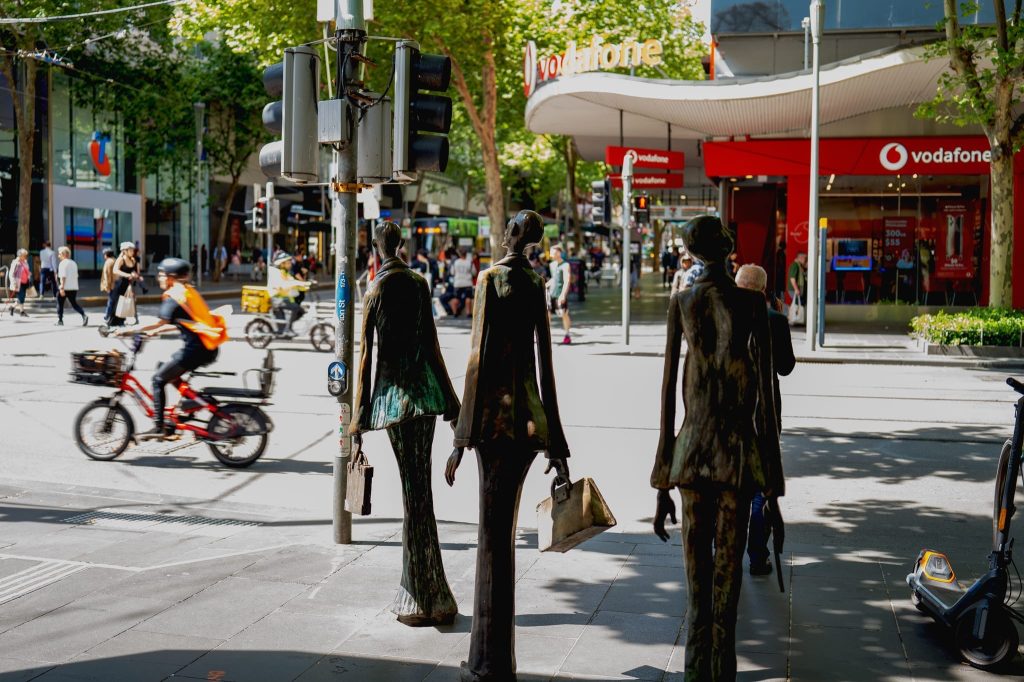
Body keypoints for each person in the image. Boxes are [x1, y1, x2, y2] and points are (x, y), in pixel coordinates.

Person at [652, 215, 781, 682]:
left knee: (696, 586)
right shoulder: (752, 303)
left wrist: (662, 480)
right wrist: (774, 485)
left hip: (690, 457)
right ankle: (719, 672)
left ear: (690, 252)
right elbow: (766, 402)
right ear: (728, 249)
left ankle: (694, 672)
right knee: (727, 585)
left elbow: (667, 394)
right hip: (737, 458)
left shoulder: (682, 302)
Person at [445, 210, 571, 682]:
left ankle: (487, 666)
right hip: (528, 425)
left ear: (512, 235)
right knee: (501, 542)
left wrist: (461, 438)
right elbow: (546, 368)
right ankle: (498, 661)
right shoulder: (537, 284)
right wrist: (556, 445)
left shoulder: (489, 279)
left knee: (491, 543)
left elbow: (476, 364)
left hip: (493, 426)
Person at [351, 221, 461, 626]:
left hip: (396, 404)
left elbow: (366, 357)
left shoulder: (376, 289)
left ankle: (418, 595)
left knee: (414, 495)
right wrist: (452, 407)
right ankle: (432, 593)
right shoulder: (417, 283)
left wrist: (359, 419)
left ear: (376, 248)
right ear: (402, 245)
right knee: (420, 491)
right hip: (426, 398)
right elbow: (432, 345)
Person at [114, 258, 226, 440]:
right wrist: (155, 332)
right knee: (163, 368)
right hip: (203, 347)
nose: (159, 278)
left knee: (158, 379)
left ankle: (159, 426)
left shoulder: (175, 296)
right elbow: (182, 322)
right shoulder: (186, 291)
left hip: (197, 349)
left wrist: (128, 330)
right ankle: (192, 402)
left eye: (161, 274)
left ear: (171, 277)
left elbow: (160, 321)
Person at [735, 263, 794, 576]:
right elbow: (785, 367)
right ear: (763, 290)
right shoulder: (775, 320)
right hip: (764, 416)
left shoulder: (723, 316)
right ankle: (757, 556)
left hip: (729, 416)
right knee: (761, 489)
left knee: (730, 488)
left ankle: (726, 554)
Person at [268, 252, 310, 337]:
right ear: (282, 264)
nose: (290, 264)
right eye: (288, 262)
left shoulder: (286, 272)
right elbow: (286, 284)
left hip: (283, 299)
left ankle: (287, 328)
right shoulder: (278, 273)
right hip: (277, 299)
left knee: (300, 311)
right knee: (296, 307)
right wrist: (301, 284)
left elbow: (292, 282)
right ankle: (288, 329)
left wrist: (305, 285)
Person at [107, 242, 139, 328]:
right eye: (130, 250)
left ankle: (123, 320)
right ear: (125, 251)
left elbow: (134, 271)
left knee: (127, 302)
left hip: (129, 285)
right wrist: (127, 275)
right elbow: (115, 270)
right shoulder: (121, 259)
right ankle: (113, 322)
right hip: (120, 284)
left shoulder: (133, 260)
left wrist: (135, 275)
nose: (132, 251)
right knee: (118, 303)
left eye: (133, 250)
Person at [55, 247, 88, 327]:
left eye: (59, 254)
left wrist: (62, 287)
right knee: (74, 303)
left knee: (60, 303)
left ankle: (60, 320)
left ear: (63, 254)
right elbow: (76, 275)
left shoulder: (62, 263)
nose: (58, 256)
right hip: (73, 287)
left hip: (65, 287)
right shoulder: (74, 263)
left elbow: (63, 276)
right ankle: (84, 315)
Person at [548, 244, 572, 345]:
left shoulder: (565, 265)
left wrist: (563, 294)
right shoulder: (551, 265)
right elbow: (554, 278)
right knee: (547, 315)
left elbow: (567, 280)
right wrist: (545, 285)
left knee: (563, 314)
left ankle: (567, 335)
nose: (551, 254)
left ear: (558, 253)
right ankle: (547, 336)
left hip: (560, 294)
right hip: (551, 293)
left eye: (553, 252)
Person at [448, 248, 475, 317]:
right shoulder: (470, 262)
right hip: (467, 283)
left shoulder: (456, 262)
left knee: (456, 298)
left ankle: (455, 313)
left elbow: (452, 272)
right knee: (468, 298)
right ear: (466, 254)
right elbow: (474, 272)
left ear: (459, 254)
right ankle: (468, 313)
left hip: (458, 283)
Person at [7, 249, 31, 317]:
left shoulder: (25, 262)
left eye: (26, 255)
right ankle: (22, 312)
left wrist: (29, 274)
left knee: (21, 297)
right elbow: (11, 274)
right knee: (21, 297)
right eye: (24, 255)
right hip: (18, 283)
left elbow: (27, 270)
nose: (26, 257)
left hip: (25, 282)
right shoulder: (15, 262)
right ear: (20, 255)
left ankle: (12, 307)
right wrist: (14, 283)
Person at [99, 248, 117, 323]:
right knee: (113, 301)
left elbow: (107, 275)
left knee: (111, 301)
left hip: (112, 285)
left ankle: (107, 316)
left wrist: (107, 286)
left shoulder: (108, 262)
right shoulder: (115, 260)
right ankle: (111, 316)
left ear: (106, 255)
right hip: (117, 284)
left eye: (104, 255)